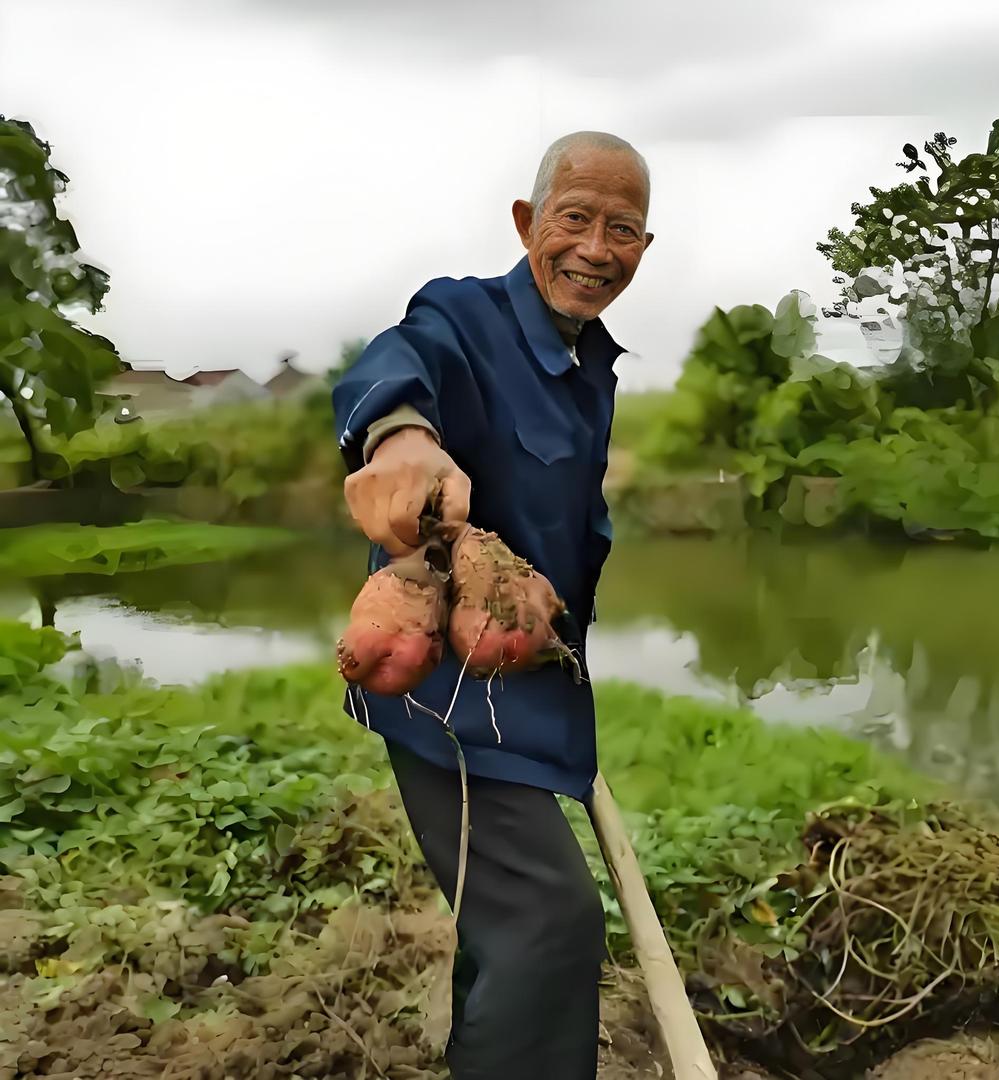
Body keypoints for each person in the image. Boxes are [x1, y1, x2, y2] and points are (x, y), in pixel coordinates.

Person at [331, 130, 653, 1080]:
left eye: (623, 230)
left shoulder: (592, 363)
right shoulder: (464, 317)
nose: (596, 248)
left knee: (505, 929)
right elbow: (396, 362)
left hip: (528, 693)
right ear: (526, 223)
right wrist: (397, 442)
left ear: (645, 249)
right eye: (575, 219)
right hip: (447, 700)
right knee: (548, 923)